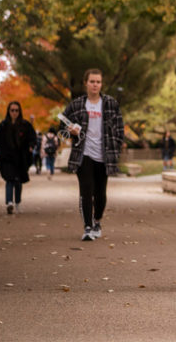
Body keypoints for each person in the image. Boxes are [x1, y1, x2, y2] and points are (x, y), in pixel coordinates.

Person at [61, 69, 125, 241]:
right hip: (84, 155)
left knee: (101, 195)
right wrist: (70, 131)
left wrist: (116, 149)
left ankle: (97, 221)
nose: (95, 84)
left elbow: (120, 129)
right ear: (86, 83)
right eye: (92, 81)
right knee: (86, 191)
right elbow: (61, 125)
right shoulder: (77, 105)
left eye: (98, 82)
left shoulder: (110, 104)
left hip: (104, 156)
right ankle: (88, 227)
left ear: (101, 84)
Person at [0, 101, 37, 214]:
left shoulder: (25, 125)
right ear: (8, 111)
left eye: (16, 110)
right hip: (6, 158)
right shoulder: (3, 125)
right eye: (12, 110)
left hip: (20, 158)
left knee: (18, 181)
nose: (14, 113)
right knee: (9, 179)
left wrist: (31, 146)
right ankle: (9, 203)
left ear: (19, 111)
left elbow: (33, 137)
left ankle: (17, 202)